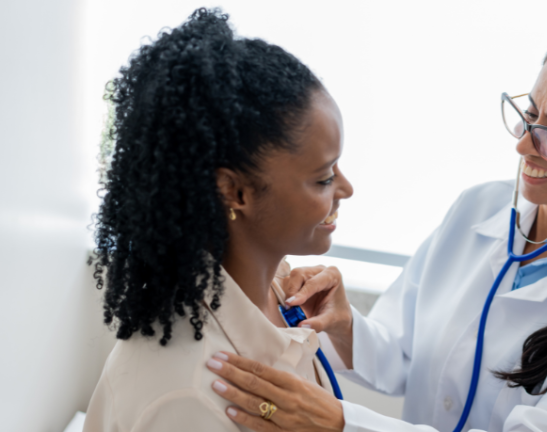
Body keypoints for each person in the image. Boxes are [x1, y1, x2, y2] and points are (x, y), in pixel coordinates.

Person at [205, 16, 547, 432]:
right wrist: (346, 326)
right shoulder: (478, 210)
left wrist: (340, 423)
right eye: (529, 115)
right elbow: (401, 357)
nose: (525, 145)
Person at [83, 9, 353, 432]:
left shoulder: (282, 296)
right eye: (323, 177)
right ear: (235, 191)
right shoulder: (187, 399)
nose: (346, 189)